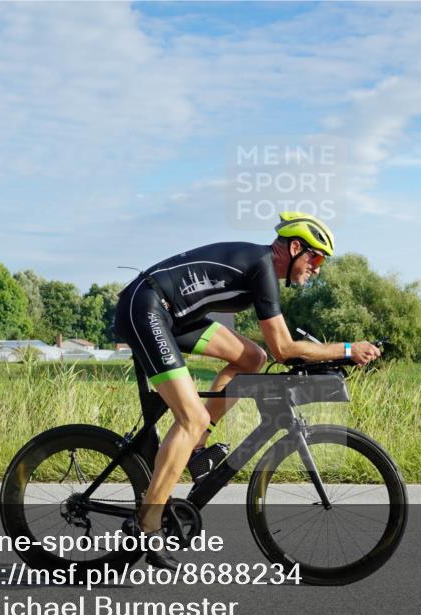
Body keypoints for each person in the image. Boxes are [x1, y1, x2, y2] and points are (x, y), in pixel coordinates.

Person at [113, 212, 381, 568]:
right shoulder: (263, 267)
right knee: (190, 417)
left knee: (252, 358)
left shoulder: (261, 267)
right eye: (315, 258)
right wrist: (346, 350)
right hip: (146, 307)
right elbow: (284, 349)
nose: (317, 268)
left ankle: (196, 447)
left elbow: (271, 352)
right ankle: (146, 525)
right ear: (296, 247)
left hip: (175, 316)